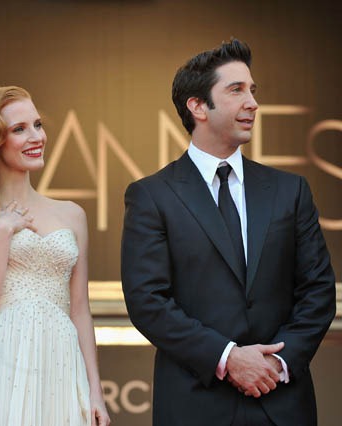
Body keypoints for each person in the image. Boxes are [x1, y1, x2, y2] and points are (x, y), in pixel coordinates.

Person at [121, 38, 336, 426]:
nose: (252, 102)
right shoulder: (151, 196)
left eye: (253, 90)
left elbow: (318, 290)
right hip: (194, 405)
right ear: (198, 106)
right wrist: (228, 358)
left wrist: (277, 363)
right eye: (236, 90)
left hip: (282, 400)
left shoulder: (291, 190)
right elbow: (147, 301)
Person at [0, 86, 111, 426]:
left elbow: (79, 310)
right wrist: (2, 232)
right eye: (19, 129)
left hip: (61, 362)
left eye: (37, 125)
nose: (36, 137)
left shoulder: (72, 214)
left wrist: (95, 390)